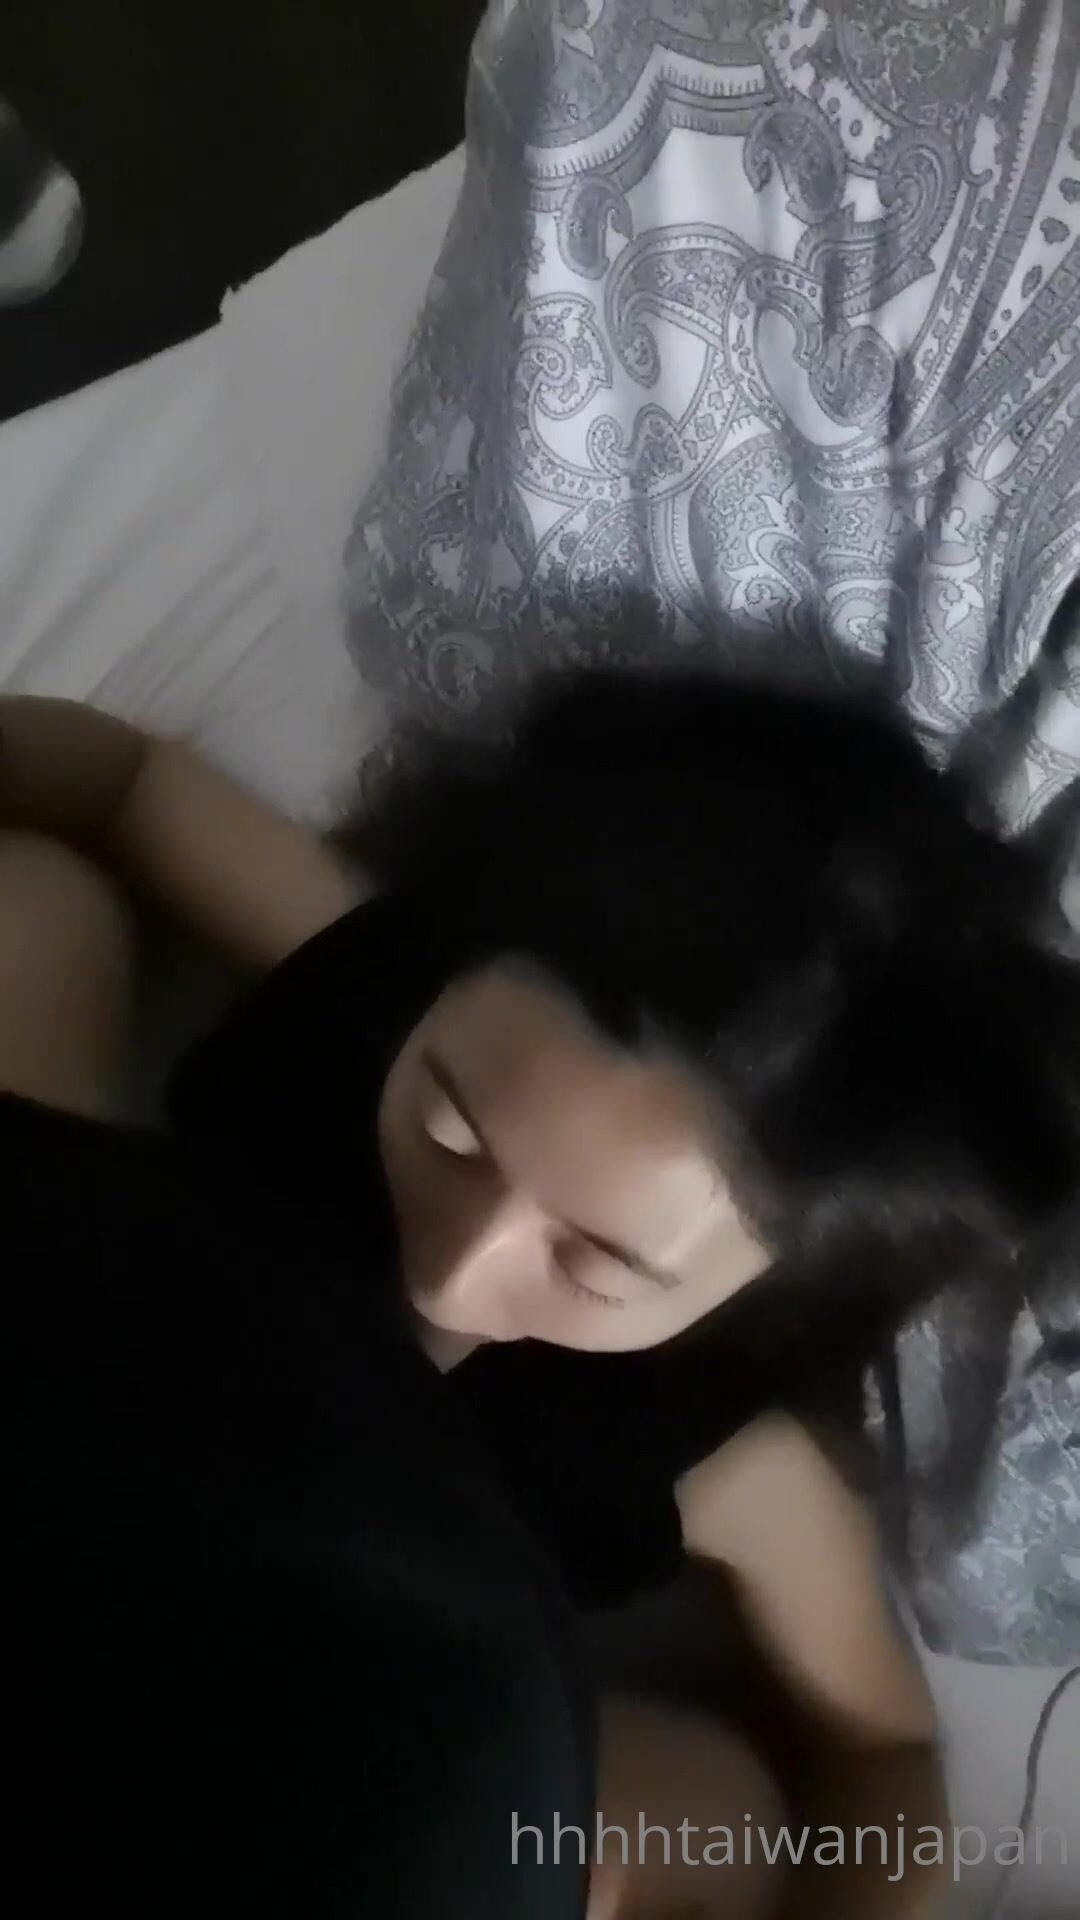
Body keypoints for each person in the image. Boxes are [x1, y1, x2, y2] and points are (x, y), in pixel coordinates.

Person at [4, 670, 1078, 1919]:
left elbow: (887, 1764)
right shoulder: (382, 991)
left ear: (760, 1293)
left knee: (714, 1808)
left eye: (598, 1263)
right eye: (450, 1125)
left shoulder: (708, 1450)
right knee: (31, 900)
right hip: (84, 1409)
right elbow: (126, 781)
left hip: (326, 1723)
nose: (452, 1274)